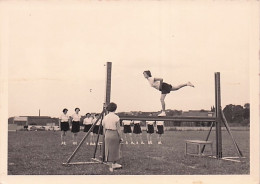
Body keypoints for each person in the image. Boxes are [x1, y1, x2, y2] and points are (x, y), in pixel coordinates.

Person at [102, 102, 123, 172]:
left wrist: (105, 135)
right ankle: (112, 166)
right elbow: (118, 129)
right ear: (115, 109)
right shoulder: (116, 117)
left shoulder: (105, 117)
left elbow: (104, 127)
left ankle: (113, 164)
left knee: (108, 149)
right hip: (114, 134)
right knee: (115, 149)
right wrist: (121, 137)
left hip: (107, 133)